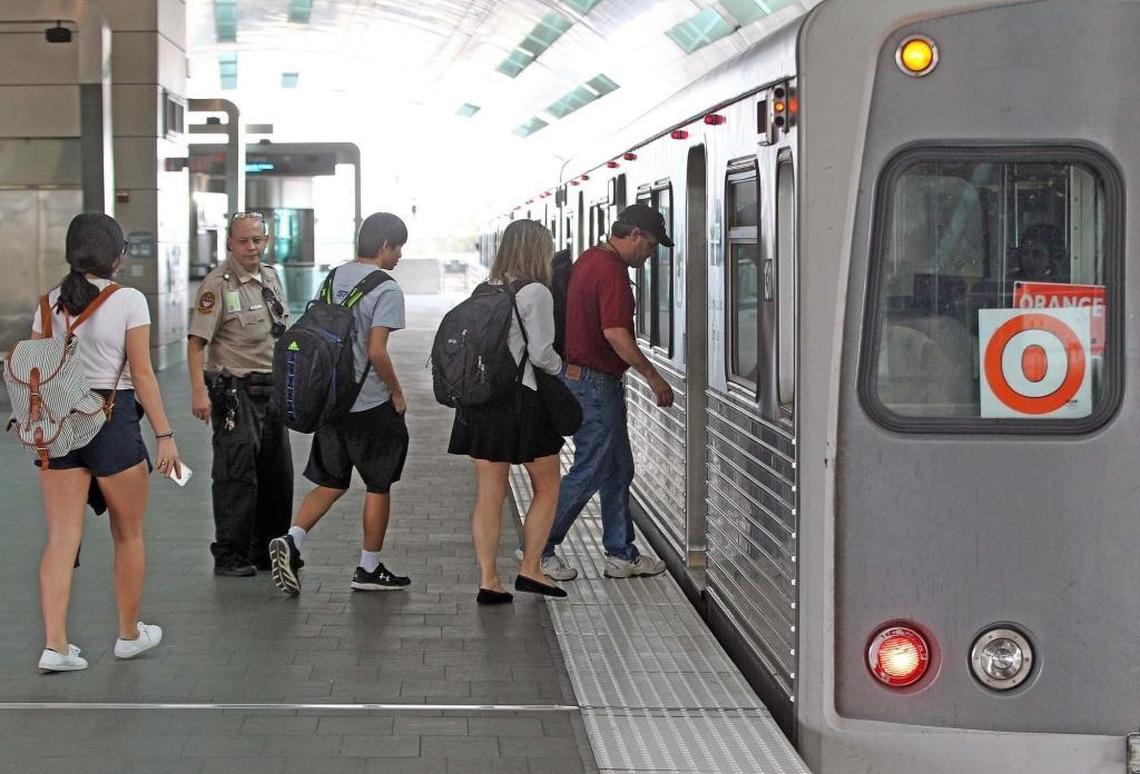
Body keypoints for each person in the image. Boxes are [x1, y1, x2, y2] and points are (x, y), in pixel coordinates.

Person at [30, 212, 180, 672]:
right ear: (117, 255)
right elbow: (141, 373)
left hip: (59, 423)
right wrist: (165, 434)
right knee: (128, 534)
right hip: (111, 419)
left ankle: (55, 646)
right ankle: (129, 635)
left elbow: (37, 369)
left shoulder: (48, 302)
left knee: (60, 538)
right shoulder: (129, 299)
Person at [268, 213, 412, 597]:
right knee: (378, 485)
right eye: (398, 247)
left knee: (330, 481)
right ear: (384, 245)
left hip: (330, 400)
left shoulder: (333, 277)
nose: (399, 256)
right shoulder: (387, 289)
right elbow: (377, 350)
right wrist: (396, 391)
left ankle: (294, 539)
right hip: (369, 406)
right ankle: (368, 567)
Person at [540, 205, 675, 581]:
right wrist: (653, 376)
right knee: (591, 468)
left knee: (617, 469)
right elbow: (615, 333)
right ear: (633, 234)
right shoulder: (611, 271)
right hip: (595, 384)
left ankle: (621, 553)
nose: (649, 255)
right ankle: (539, 547)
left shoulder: (589, 259)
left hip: (589, 381)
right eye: (649, 245)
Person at [447, 220, 569, 604]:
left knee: (489, 492)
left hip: (483, 403)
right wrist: (564, 367)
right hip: (523, 402)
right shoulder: (536, 292)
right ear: (538, 250)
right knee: (548, 485)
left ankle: (488, 580)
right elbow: (541, 354)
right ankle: (531, 568)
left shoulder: (485, 289)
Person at [187, 211, 293, 577]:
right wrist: (199, 392)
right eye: (244, 240)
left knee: (277, 476)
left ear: (266, 241)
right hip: (236, 391)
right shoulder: (218, 285)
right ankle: (230, 554)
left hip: (272, 389)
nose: (251, 247)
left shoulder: (270, 278)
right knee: (237, 475)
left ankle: (268, 551)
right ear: (230, 243)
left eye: (257, 240)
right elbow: (196, 343)